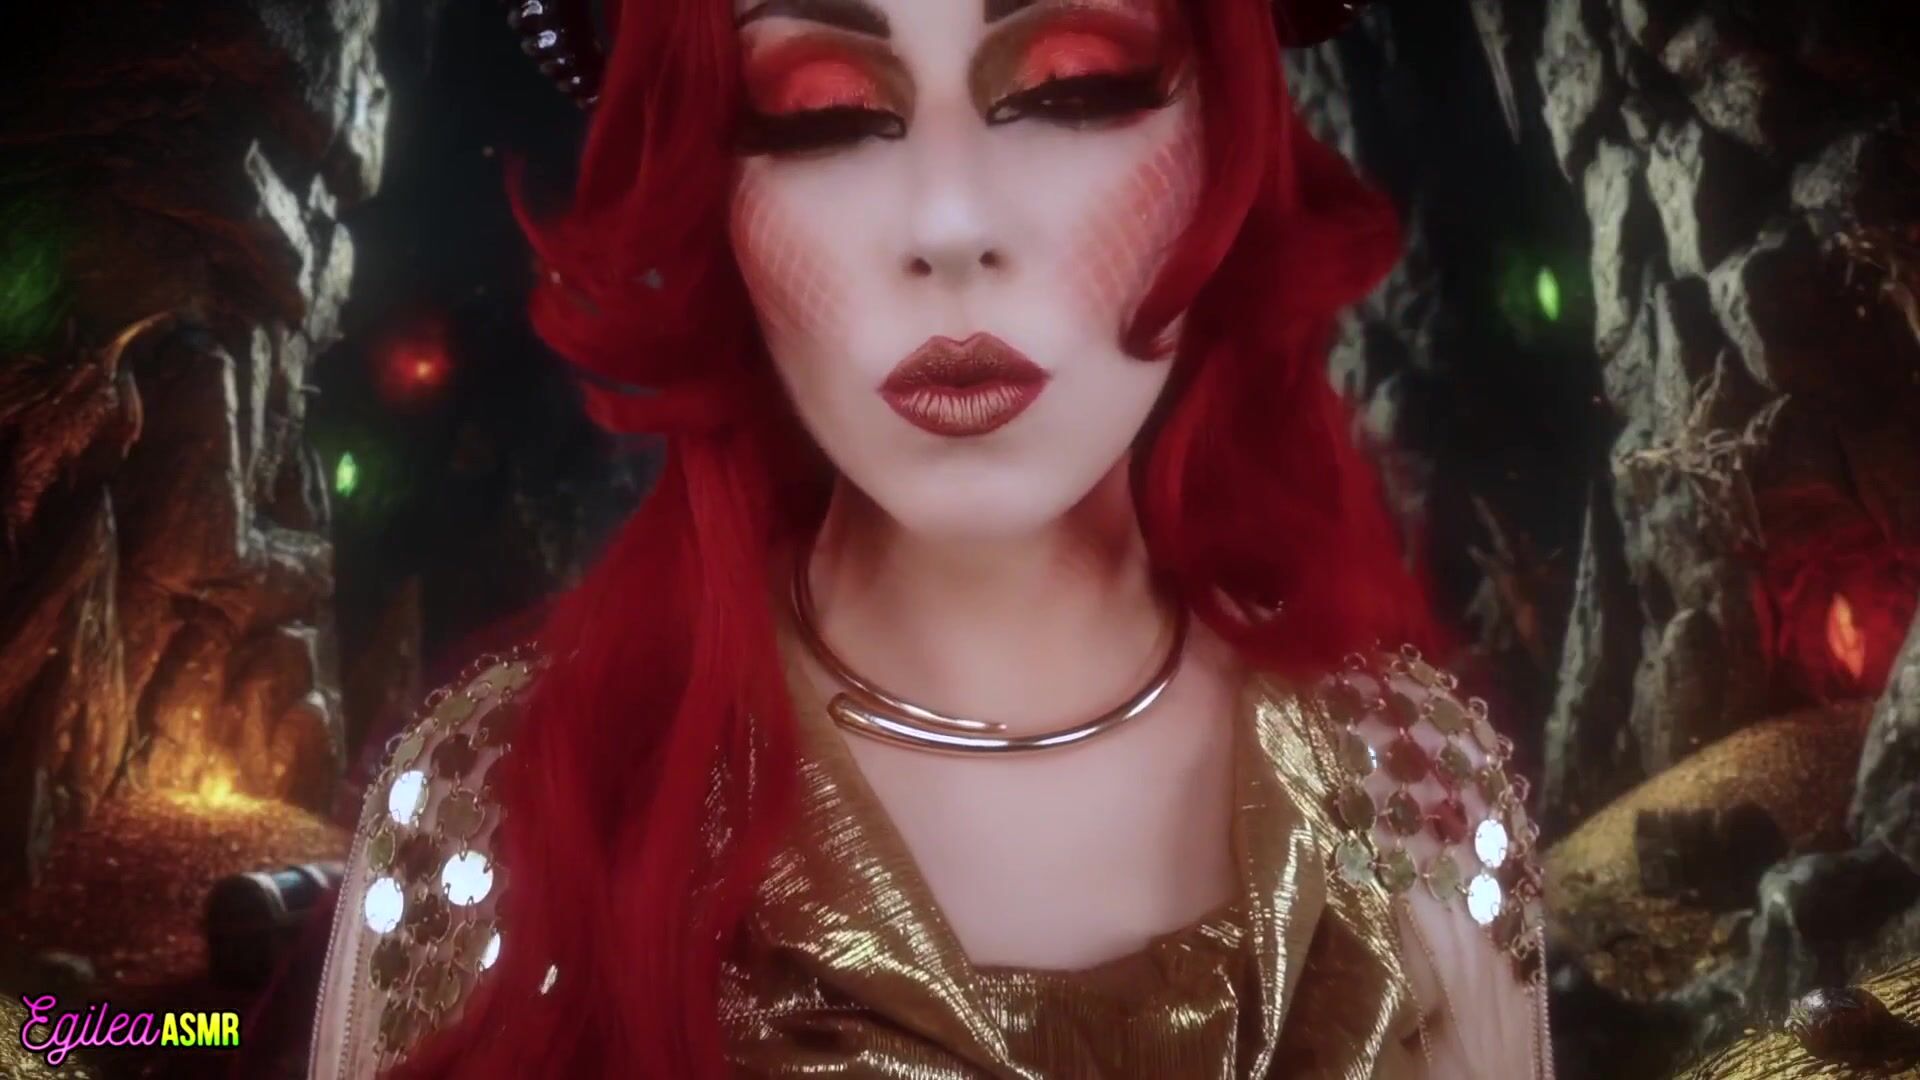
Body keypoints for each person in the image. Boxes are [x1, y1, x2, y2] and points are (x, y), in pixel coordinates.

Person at [310, 0, 1552, 1075]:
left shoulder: (1412, 799)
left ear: (1228, 135)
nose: (950, 221)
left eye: (1074, 87)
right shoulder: (503, 812)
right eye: (821, 111)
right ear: (714, 184)